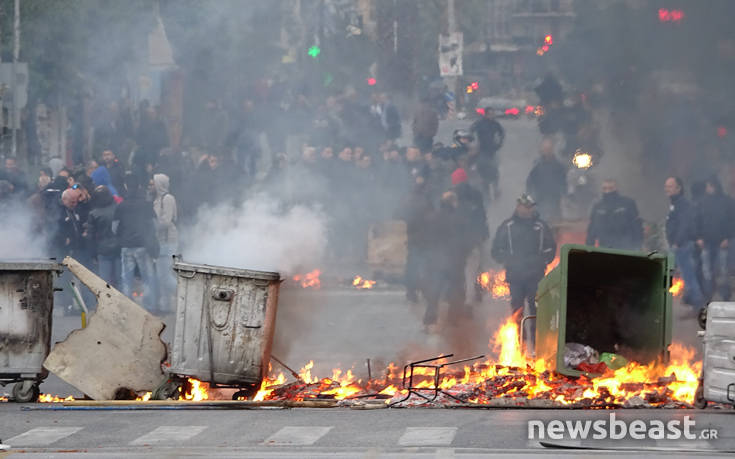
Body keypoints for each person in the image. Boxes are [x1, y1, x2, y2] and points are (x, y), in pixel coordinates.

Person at [491, 194, 556, 350]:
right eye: (523, 206)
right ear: (517, 206)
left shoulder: (541, 226)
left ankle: (537, 347)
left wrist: (543, 261)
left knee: (536, 313)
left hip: (536, 277)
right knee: (517, 312)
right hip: (515, 278)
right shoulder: (508, 226)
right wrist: (509, 260)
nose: (526, 209)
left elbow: (551, 247)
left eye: (529, 206)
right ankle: (521, 347)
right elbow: (495, 250)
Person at [421, 191, 472, 330]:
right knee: (456, 290)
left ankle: (430, 319)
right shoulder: (460, 219)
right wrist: (464, 254)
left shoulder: (432, 217)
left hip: (436, 261)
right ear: (453, 203)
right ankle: (453, 320)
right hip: (455, 261)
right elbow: (466, 240)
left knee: (434, 290)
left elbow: (426, 240)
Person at [114, 173, 157, 311]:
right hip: (143, 245)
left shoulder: (121, 205)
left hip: (126, 245)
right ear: (139, 186)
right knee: (147, 277)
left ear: (126, 186)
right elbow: (154, 225)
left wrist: (122, 237)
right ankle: (149, 306)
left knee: (127, 278)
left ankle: (127, 308)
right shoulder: (146, 204)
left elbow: (114, 228)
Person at [665, 176, 706, 310]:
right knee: (687, 276)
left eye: (670, 186)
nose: (667, 189)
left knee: (689, 278)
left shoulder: (682, 204)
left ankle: (699, 308)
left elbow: (684, 225)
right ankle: (695, 305)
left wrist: (677, 242)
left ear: (679, 188)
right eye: (666, 186)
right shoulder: (675, 204)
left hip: (683, 246)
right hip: (679, 245)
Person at [451, 168, 489, 303]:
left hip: (460, 239)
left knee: (461, 269)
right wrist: (483, 233)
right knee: (477, 267)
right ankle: (476, 293)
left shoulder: (453, 195)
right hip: (475, 237)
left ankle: (463, 298)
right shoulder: (476, 194)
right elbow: (482, 216)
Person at [695, 176, 734, 302]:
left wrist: (727, 238)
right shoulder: (702, 202)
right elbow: (697, 221)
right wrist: (699, 238)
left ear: (715, 186)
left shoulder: (728, 202)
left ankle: (725, 296)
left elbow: (732, 221)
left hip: (722, 242)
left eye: (709, 186)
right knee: (707, 271)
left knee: (723, 270)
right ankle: (708, 296)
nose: (707, 188)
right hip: (706, 243)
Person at [585, 179, 643, 250]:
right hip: (604, 246)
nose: (608, 191)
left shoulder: (628, 203)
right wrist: (589, 247)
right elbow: (592, 228)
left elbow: (636, 226)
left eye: (610, 188)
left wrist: (637, 246)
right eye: (605, 188)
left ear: (616, 188)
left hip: (626, 247)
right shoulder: (598, 206)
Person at [153, 173, 178, 312]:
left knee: (164, 275)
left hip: (168, 240)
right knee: (161, 274)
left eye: (153, 183)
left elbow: (167, 221)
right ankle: (166, 306)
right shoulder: (157, 199)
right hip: (160, 241)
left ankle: (182, 294)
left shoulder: (168, 198)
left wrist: (152, 226)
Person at [526, 137, 567, 222]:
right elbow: (530, 182)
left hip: (554, 200)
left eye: (549, 148)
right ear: (541, 150)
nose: (547, 151)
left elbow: (563, 183)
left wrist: (564, 195)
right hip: (540, 200)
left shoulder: (559, 166)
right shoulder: (537, 166)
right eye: (545, 148)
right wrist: (529, 198)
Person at [86, 185, 120, 287]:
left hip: (103, 249)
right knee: (120, 279)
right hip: (119, 247)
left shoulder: (94, 213)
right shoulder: (118, 208)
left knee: (105, 282)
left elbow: (91, 236)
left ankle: (107, 302)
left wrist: (93, 253)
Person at [470, 108, 505, 199]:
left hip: (492, 151)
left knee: (495, 171)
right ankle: (486, 194)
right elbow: (471, 131)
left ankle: (496, 189)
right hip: (482, 151)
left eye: (493, 114)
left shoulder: (495, 124)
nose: (492, 116)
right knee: (483, 172)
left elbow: (502, 133)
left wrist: (499, 144)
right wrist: (473, 143)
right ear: (485, 114)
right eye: (490, 114)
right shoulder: (479, 123)